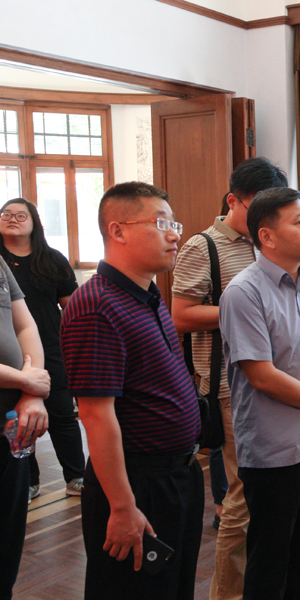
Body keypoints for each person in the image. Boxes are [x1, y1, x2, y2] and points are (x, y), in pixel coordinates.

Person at [59, 182, 203, 600]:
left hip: (177, 476)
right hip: (138, 484)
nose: (174, 235)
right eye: (161, 224)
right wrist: (122, 507)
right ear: (118, 230)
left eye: (174, 225)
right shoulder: (96, 305)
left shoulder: (147, 294)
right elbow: (95, 414)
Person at [219, 187, 300, 600]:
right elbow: (262, 375)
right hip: (273, 448)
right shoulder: (243, 292)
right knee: (269, 561)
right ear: (267, 236)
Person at [170, 156, 288, 600]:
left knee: (266, 498)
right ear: (232, 200)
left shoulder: (267, 241)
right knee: (240, 499)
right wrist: (247, 308)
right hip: (230, 386)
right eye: (257, 207)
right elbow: (180, 316)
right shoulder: (203, 246)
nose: (264, 218)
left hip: (275, 379)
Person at [1, 199, 85, 503]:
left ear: (34, 223)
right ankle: (29, 480)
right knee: (16, 419)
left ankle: (76, 476)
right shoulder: (1, 260)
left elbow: (72, 307)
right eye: (6, 214)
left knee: (62, 414)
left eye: (21, 215)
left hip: (50, 349)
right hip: (10, 359)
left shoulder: (52, 259)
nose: (12, 219)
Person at [0, 255, 49, 600]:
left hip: (10, 425)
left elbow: (25, 326)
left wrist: (32, 395)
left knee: (6, 542)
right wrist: (25, 380)